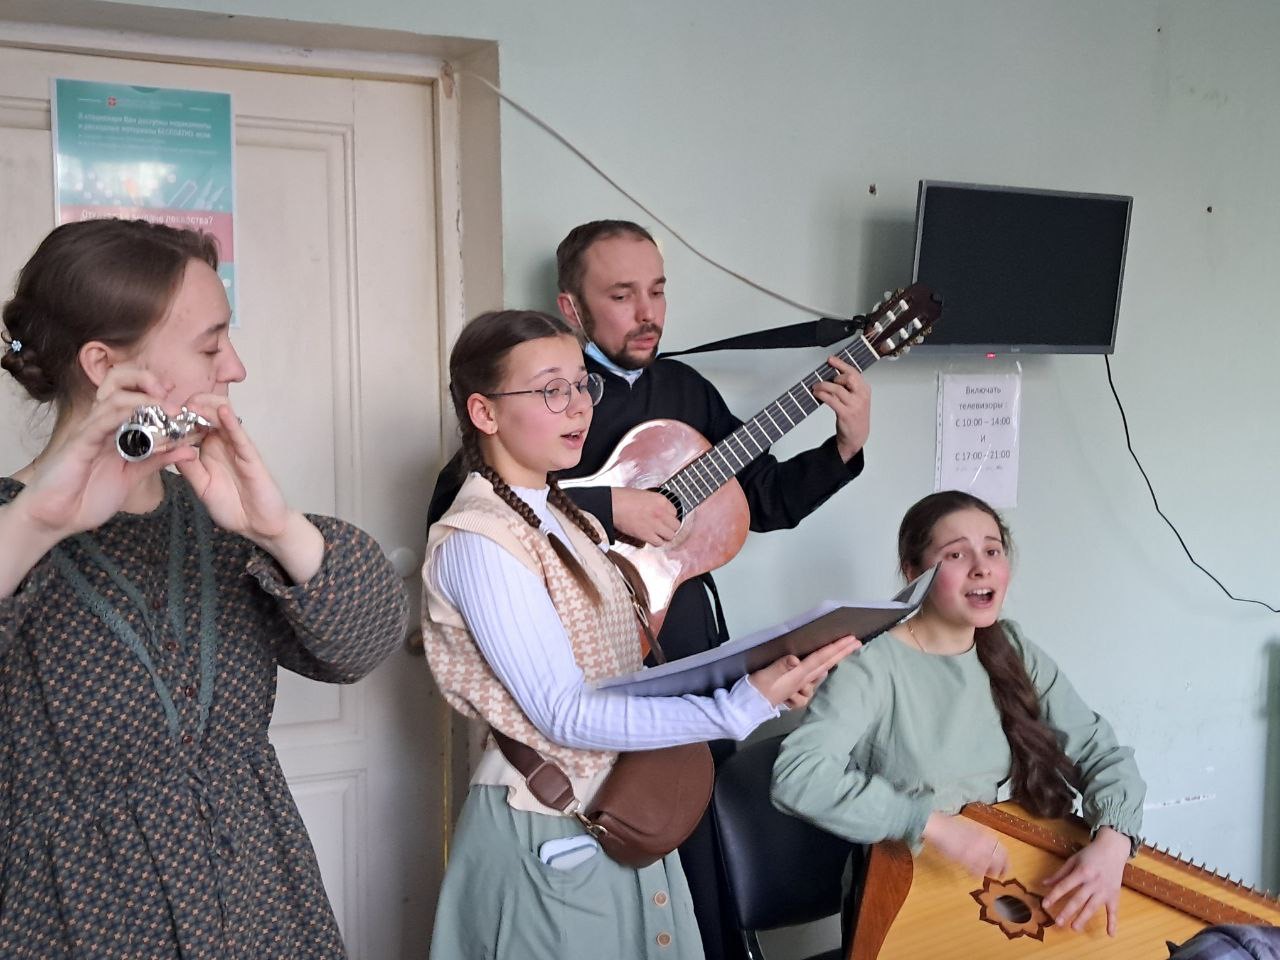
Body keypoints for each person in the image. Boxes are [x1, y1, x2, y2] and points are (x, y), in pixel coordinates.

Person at [425, 219, 872, 960]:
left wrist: (754, 687)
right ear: (573, 306)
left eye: (582, 387)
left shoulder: (654, 422)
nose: (578, 407)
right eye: (621, 294)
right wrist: (609, 507)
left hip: (647, 737)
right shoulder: (486, 536)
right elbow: (563, 708)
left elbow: (757, 501)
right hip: (556, 806)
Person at [0, 219, 408, 959]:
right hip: (79, 925)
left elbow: (363, 646)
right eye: (211, 345)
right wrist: (36, 523)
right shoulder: (12, 531)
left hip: (263, 909)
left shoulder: (223, 522)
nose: (236, 368)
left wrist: (277, 528)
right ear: (104, 365)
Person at [772, 490, 1145, 939]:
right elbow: (797, 776)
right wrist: (929, 823)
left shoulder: (1012, 647)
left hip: (991, 877)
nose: (981, 567)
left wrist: (1112, 843)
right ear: (914, 572)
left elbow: (1100, 753)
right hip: (902, 884)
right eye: (956, 554)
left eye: (992, 550)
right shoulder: (870, 663)